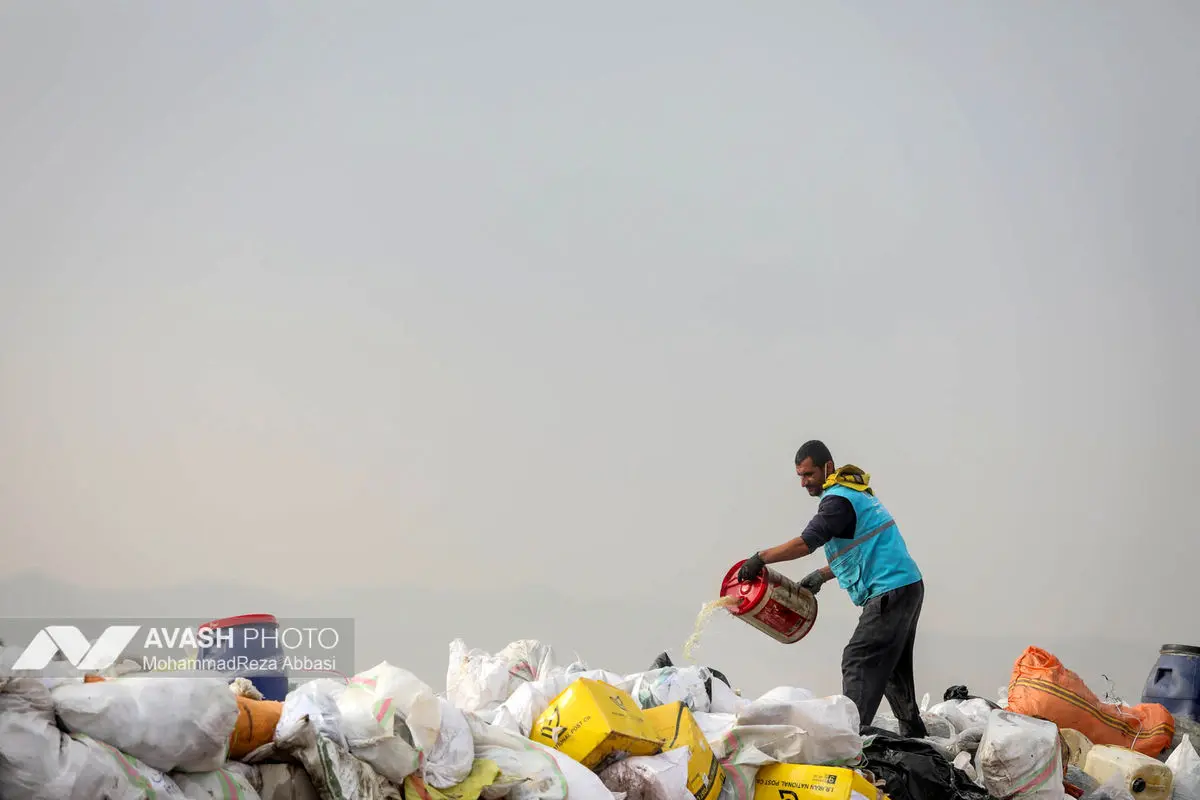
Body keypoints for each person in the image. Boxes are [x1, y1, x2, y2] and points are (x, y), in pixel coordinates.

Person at [737, 439, 928, 738]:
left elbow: (805, 543)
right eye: (799, 475)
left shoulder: (837, 501)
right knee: (891, 667)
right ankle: (914, 735)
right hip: (906, 586)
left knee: (858, 658)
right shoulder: (853, 494)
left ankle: (849, 737)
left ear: (827, 467)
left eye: (809, 475)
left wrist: (761, 558)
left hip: (891, 590)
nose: (803, 482)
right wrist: (823, 576)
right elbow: (862, 548)